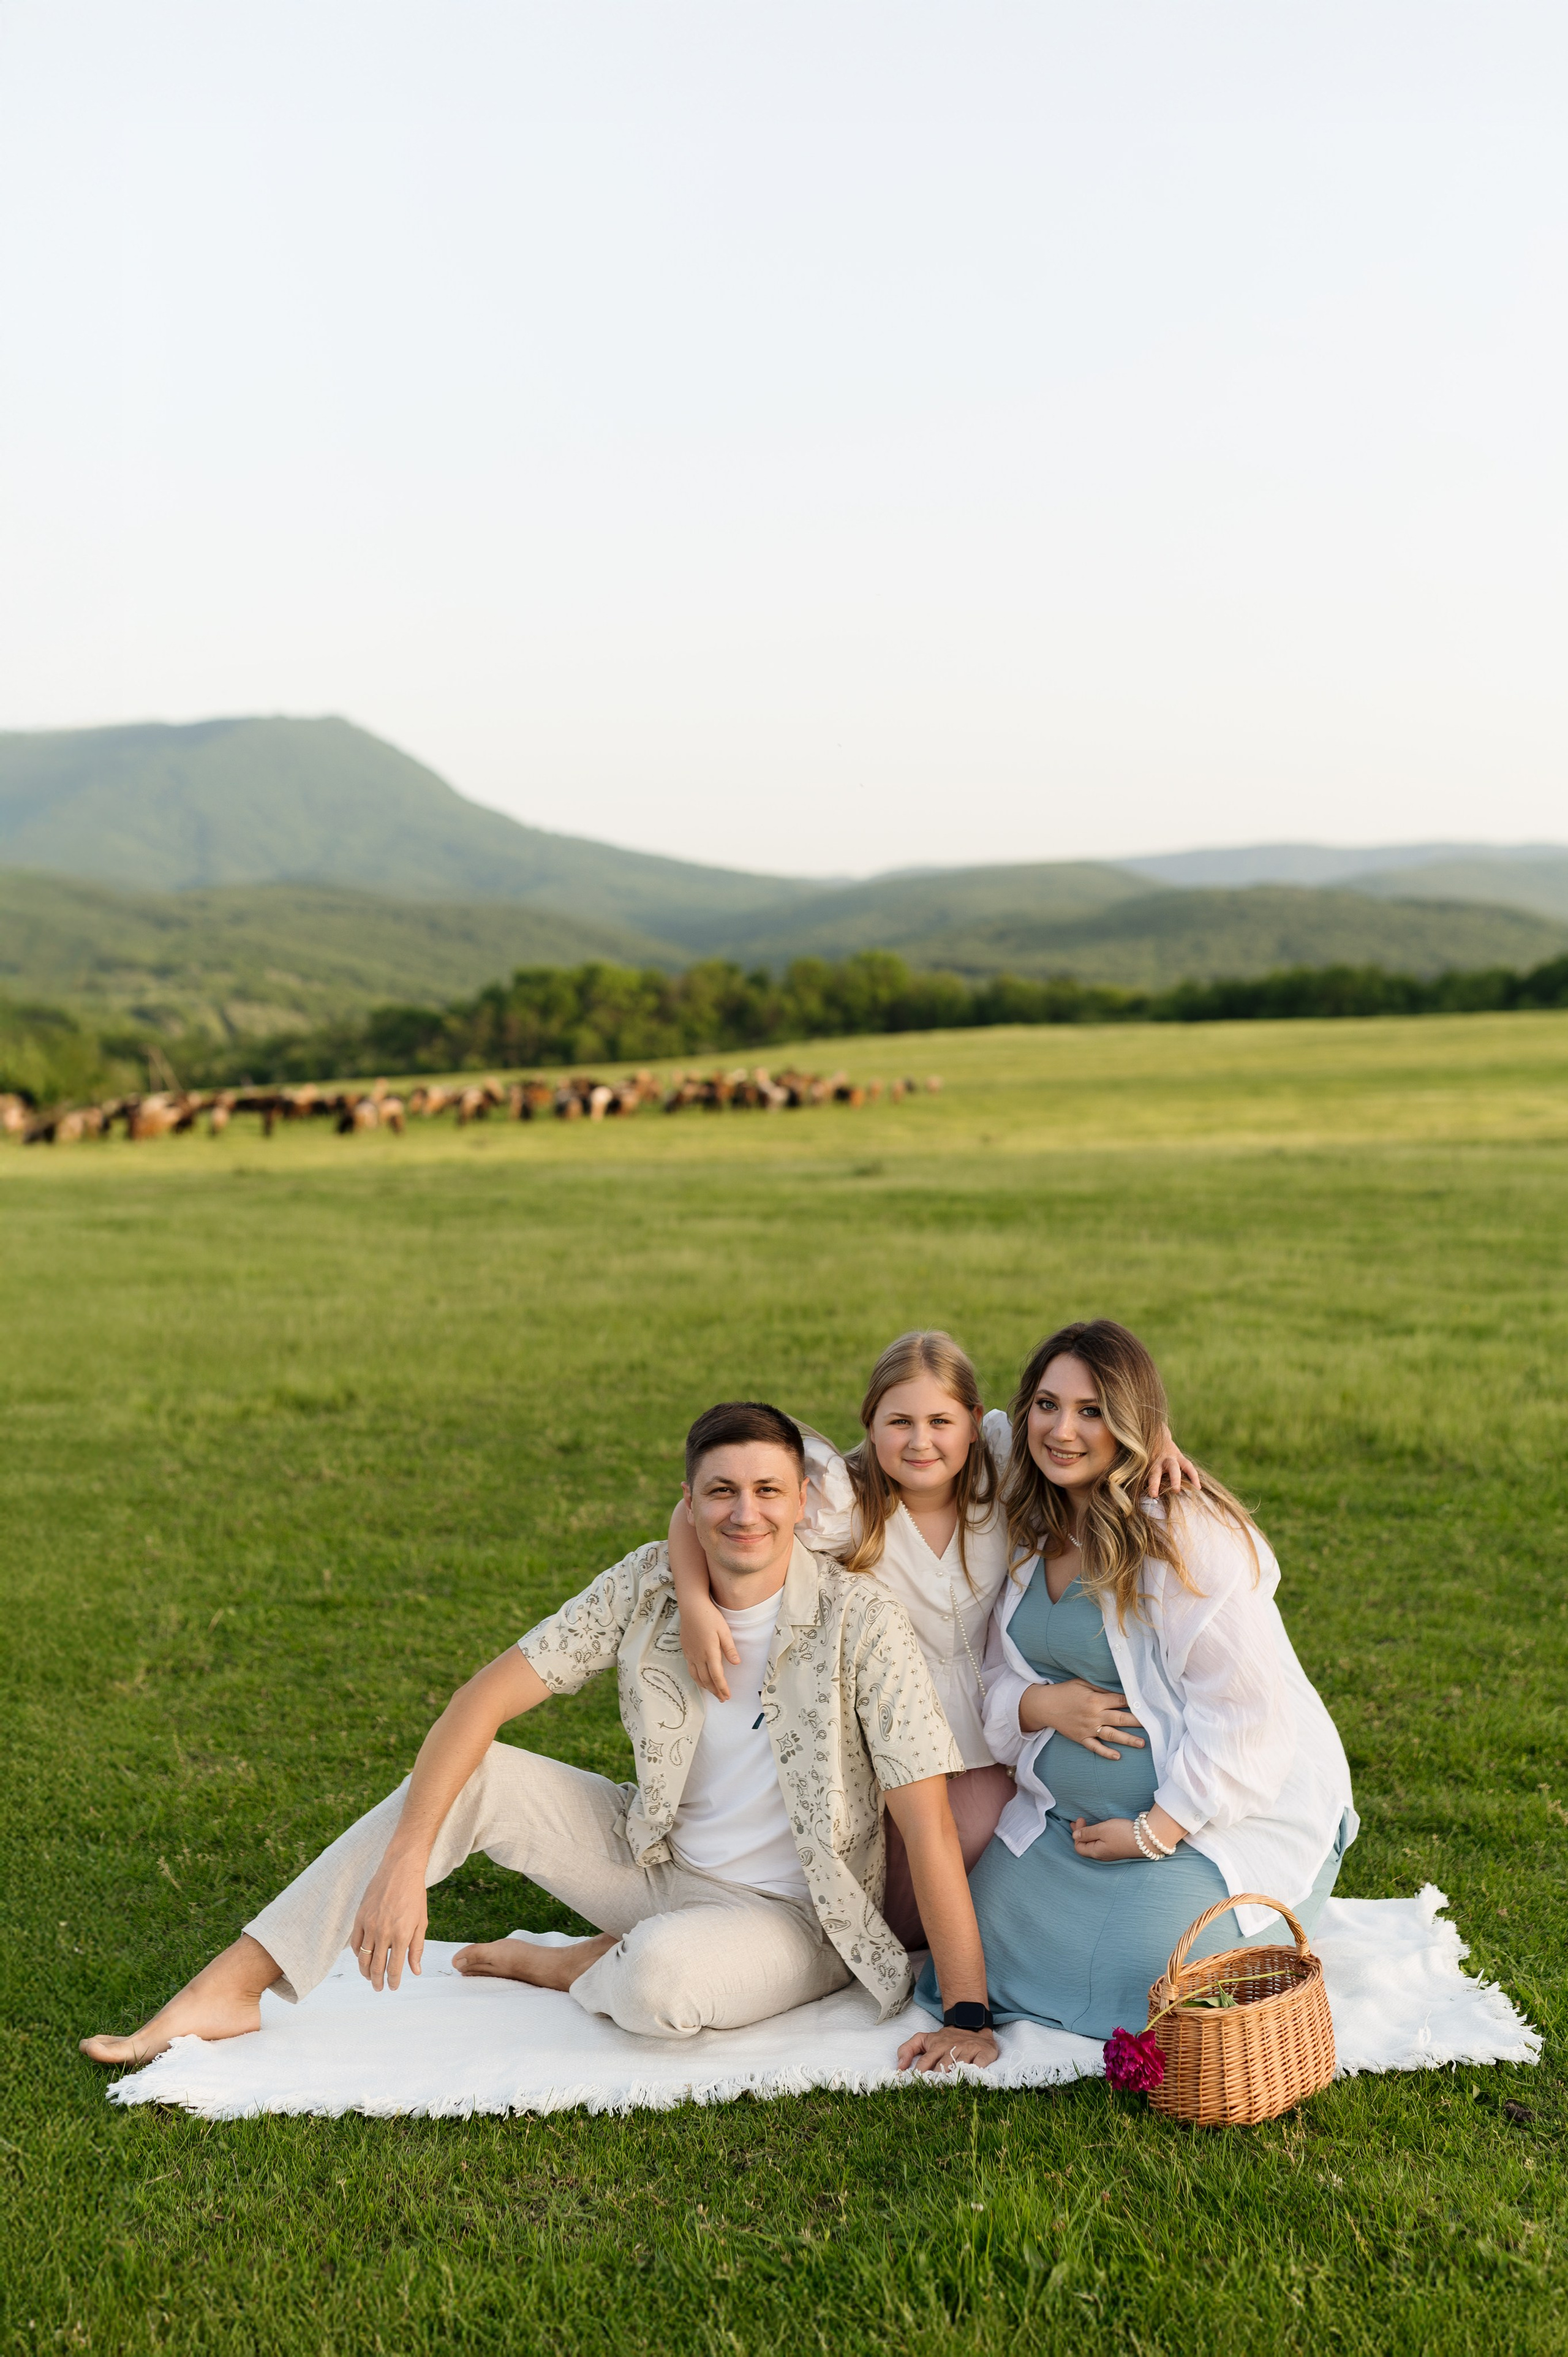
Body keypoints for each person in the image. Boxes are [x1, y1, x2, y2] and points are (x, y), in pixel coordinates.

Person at [82, 1401, 999, 2076]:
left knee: (662, 1989)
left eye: (767, 1491)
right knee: (477, 1776)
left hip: (794, 1915)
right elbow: (478, 1703)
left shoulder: (860, 1623)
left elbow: (922, 1826)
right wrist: (406, 1861)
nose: (744, 1514)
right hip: (652, 1857)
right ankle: (233, 1986)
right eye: (720, 1492)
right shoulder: (648, 1583)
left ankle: (576, 1966)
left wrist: (967, 2011)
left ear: (803, 1502)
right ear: (688, 1501)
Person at [668, 1330, 1196, 1945]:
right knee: (892, 1881)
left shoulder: (997, 1467)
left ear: (974, 1422)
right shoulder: (847, 1503)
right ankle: (821, 1941)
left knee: (996, 1835)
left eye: (940, 1420)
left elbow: (1086, 1409)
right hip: (887, 1739)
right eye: (899, 1421)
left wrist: (1155, 1433)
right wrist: (693, 1599)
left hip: (988, 1734)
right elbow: (699, 1505)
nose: (921, 1441)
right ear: (870, 1423)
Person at [917, 1320, 1356, 2042]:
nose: (1061, 1430)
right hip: (1066, 1828)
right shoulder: (1027, 1514)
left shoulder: (1183, 1533)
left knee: (1154, 1978)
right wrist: (1037, 1702)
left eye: (1092, 1411)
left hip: (1204, 1824)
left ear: (1133, 1424)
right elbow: (994, 1676)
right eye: (1048, 1404)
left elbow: (1248, 1717)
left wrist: (1155, 1830)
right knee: (970, 1949)